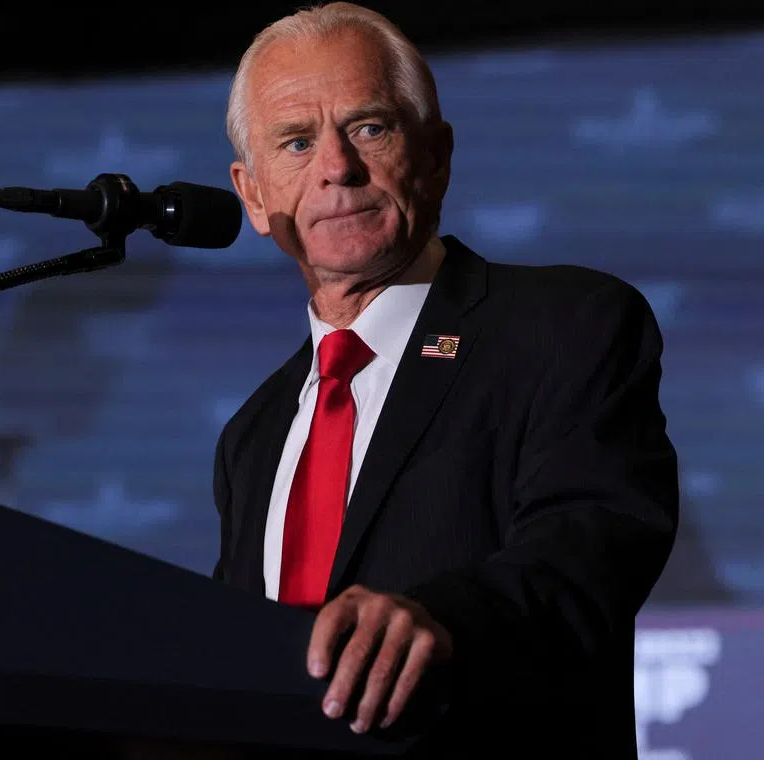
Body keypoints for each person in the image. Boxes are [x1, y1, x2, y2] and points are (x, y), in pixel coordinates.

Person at [213, 3, 679, 755]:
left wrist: (441, 621)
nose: (336, 166)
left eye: (369, 127)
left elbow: (590, 550)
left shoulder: (564, 326)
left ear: (436, 155)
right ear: (253, 195)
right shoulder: (253, 435)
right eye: (297, 142)